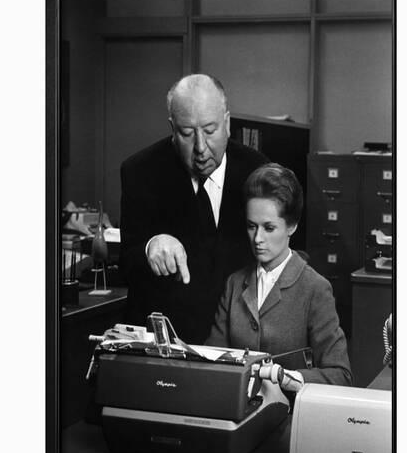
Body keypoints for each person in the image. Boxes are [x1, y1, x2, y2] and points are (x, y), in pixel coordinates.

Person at [119, 74, 267, 343]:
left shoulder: (259, 172)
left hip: (238, 338)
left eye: (210, 131)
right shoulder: (140, 172)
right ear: (172, 129)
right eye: (187, 134)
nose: (201, 148)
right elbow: (126, 263)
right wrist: (150, 246)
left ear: (227, 123)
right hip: (170, 342)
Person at [206, 163, 352, 386]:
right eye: (251, 226)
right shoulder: (234, 283)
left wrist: (287, 378)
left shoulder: (314, 288)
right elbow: (212, 358)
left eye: (269, 228)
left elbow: (341, 375)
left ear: (291, 226)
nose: (257, 238)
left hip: (289, 414)